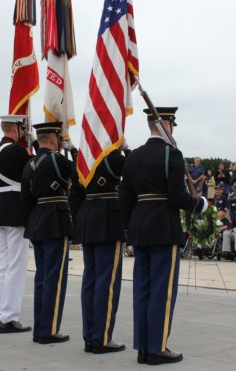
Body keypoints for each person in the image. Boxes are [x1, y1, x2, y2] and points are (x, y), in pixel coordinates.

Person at [119, 107, 207, 365]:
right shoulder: (172, 154)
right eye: (172, 126)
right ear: (166, 124)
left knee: (142, 289)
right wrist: (200, 204)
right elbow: (178, 198)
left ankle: (143, 347)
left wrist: (129, 230)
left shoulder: (134, 156)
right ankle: (157, 348)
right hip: (164, 229)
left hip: (140, 228)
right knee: (162, 290)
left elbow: (125, 198)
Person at [20, 122, 73, 345]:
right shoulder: (58, 160)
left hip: (37, 222)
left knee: (42, 277)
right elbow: (82, 173)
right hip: (56, 221)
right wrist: (73, 151)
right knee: (55, 278)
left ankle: (40, 329)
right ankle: (49, 330)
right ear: (53, 139)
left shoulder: (29, 164)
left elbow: (25, 200)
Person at [70, 146, 127, 354]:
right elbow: (132, 177)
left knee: (90, 280)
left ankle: (90, 336)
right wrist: (125, 149)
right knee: (107, 282)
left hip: (87, 218)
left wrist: (80, 220)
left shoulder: (83, 158)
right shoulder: (114, 157)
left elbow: (74, 195)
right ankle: (101, 338)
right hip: (108, 218)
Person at [0, 115, 33, 334]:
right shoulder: (17, 151)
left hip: (1, 209)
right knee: (16, 265)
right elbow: (32, 172)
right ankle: (8, 317)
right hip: (16, 208)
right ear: (15, 128)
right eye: (21, 128)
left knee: (4, 265)